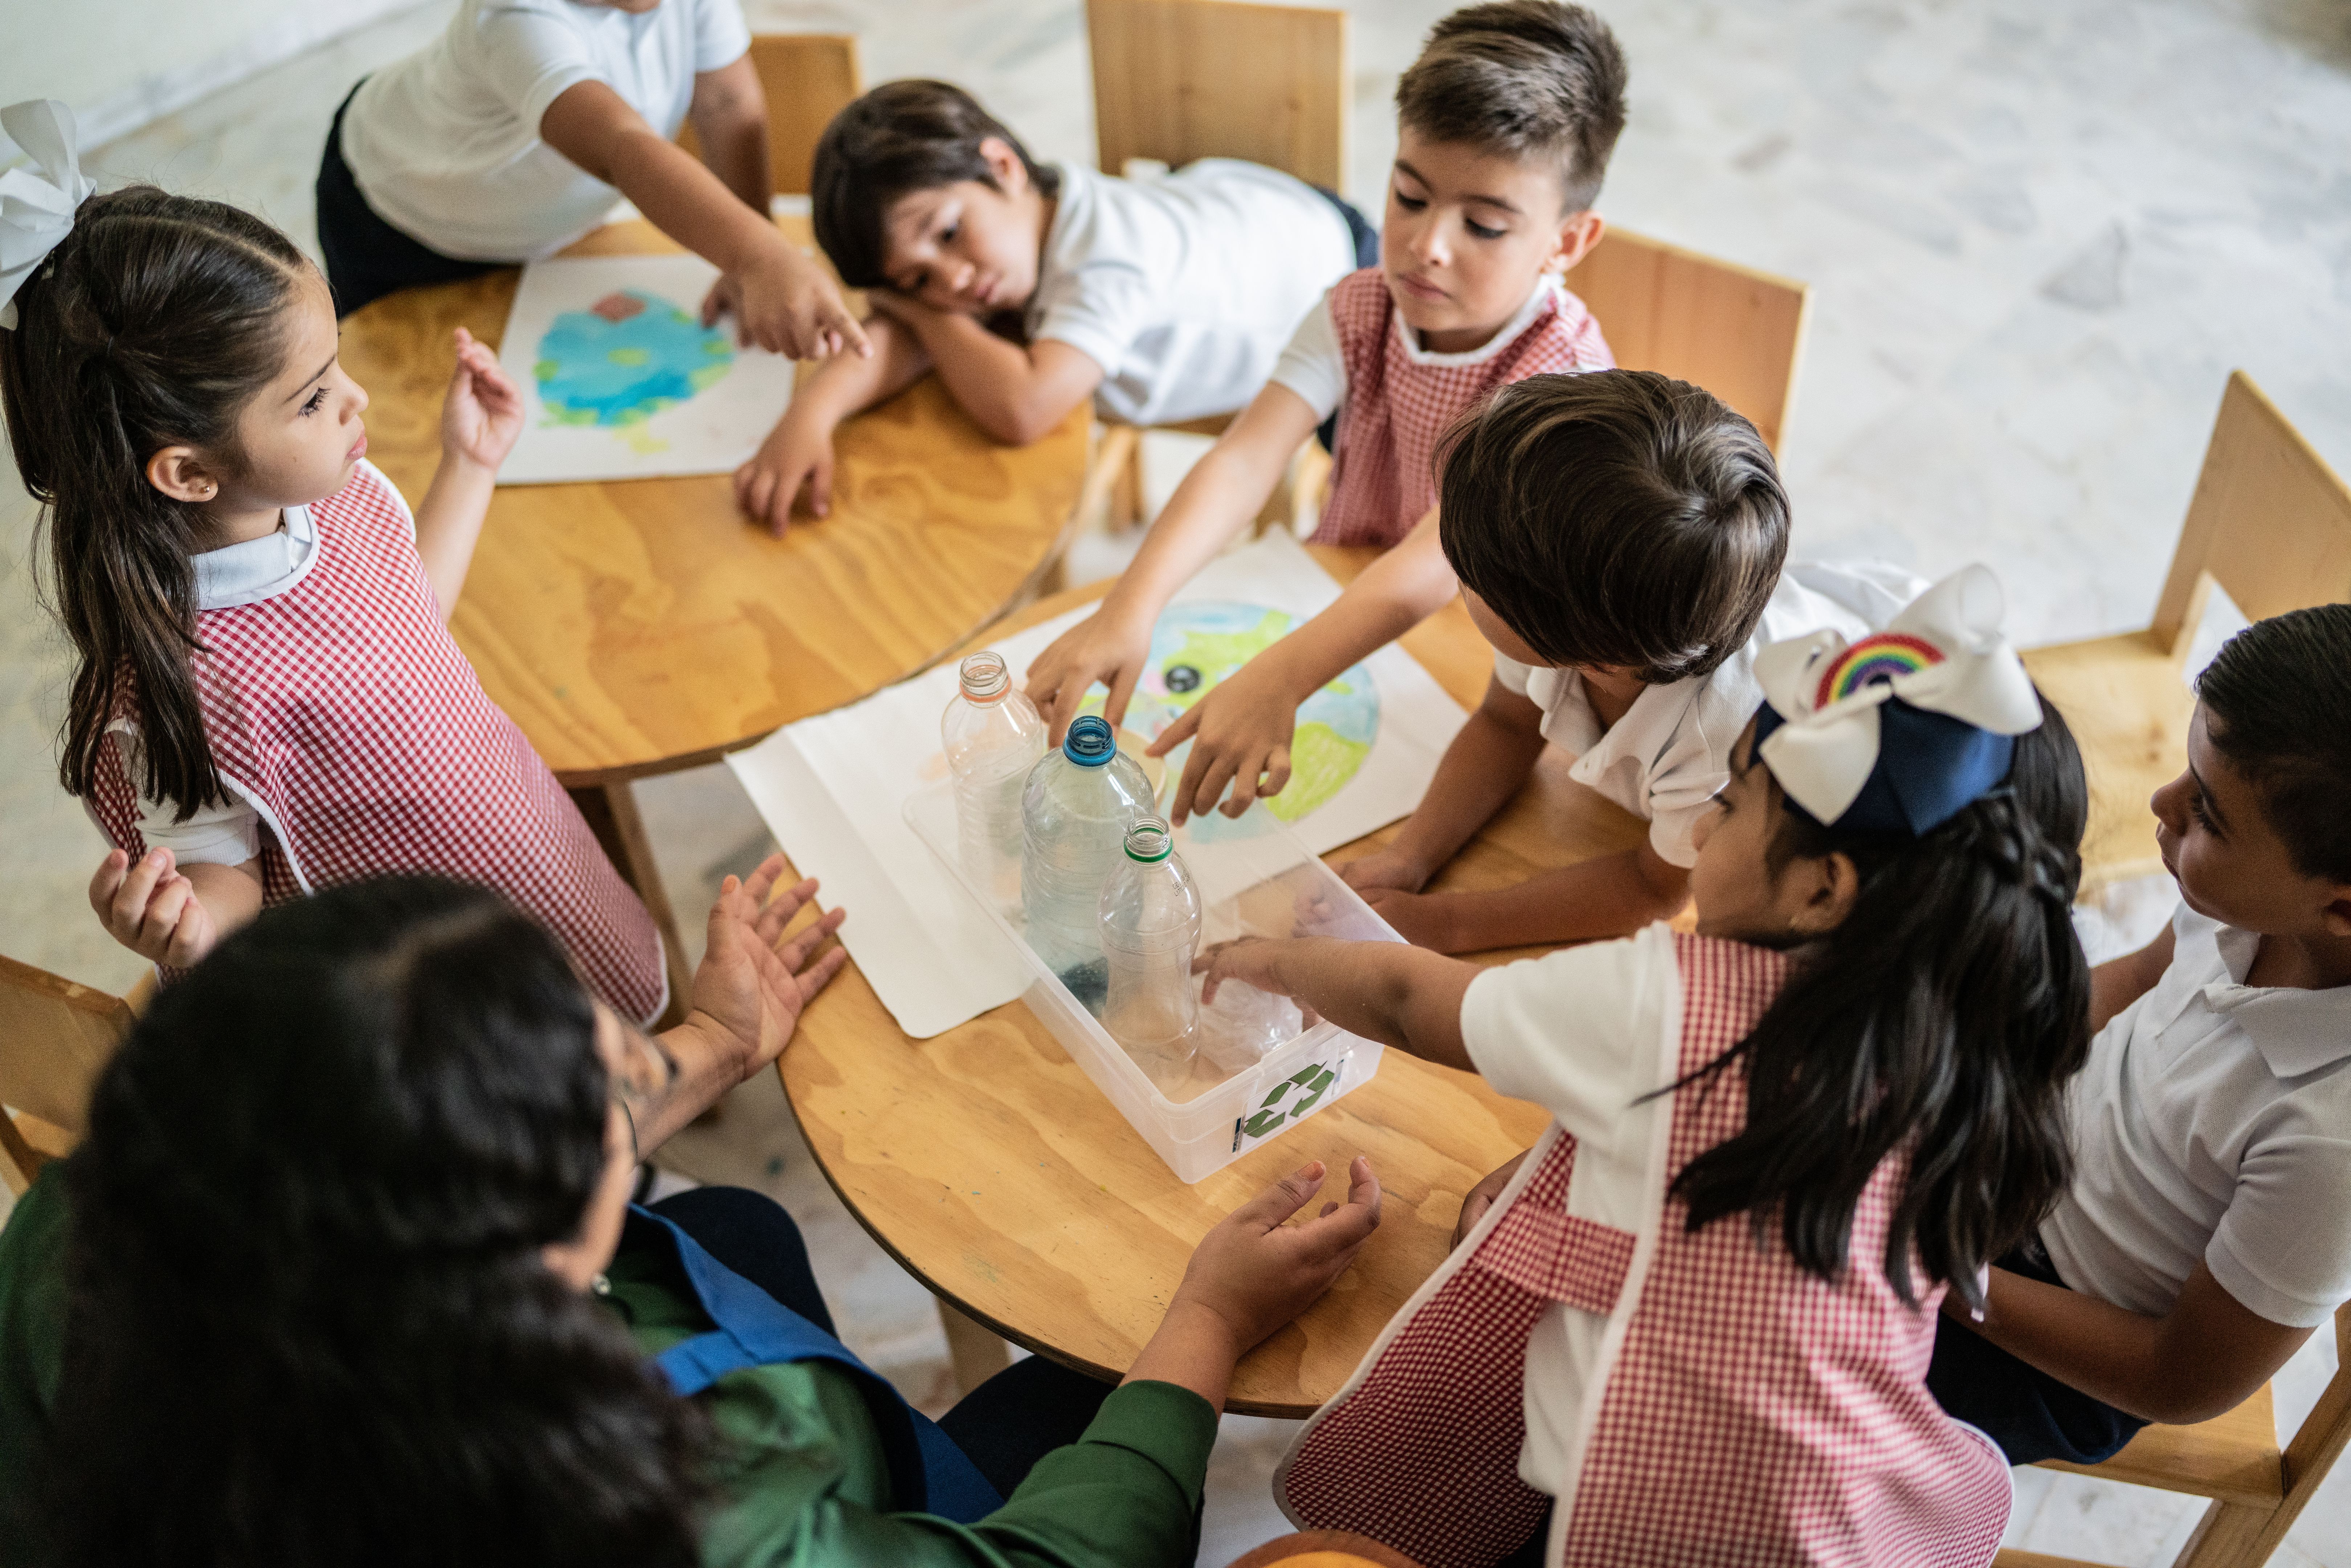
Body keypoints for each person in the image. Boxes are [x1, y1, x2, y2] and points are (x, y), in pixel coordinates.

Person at [0, 866, 1384, 1568]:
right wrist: (1201, 1322)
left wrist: (716, 1043)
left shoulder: (107, 1212)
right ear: (534, 1262)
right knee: (1078, 1402)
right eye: (619, 1095)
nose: (650, 1076)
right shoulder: (667, 1504)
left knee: (736, 1229)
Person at [1200, 568, 2090, 1567]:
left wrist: (1268, 959)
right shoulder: (1967, 1019)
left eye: (1735, 804)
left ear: (1821, 891)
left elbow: (1414, 1001)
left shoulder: (1667, 1005)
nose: (1700, 827)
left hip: (1669, 1525)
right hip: (1841, 1511)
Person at [0, 139, 666, 1022]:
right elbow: (220, 872)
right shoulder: (188, 673)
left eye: (333, 365)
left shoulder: (329, 496)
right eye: (312, 399)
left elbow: (406, 620)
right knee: (535, 1113)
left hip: (515, 841)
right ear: (192, 474)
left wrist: (467, 465)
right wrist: (186, 926)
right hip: (420, 966)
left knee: (606, 1024)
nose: (356, 401)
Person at [1024, 1, 1626, 813]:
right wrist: (1128, 605)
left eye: (1483, 225)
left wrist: (1278, 676)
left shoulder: (1559, 384)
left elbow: (1433, 561)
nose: (1425, 245)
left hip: (1490, 656)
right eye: (1409, 198)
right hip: (1349, 597)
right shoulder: (1357, 304)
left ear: (1567, 242)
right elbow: (1244, 458)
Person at [1928, 604, 2351, 1465]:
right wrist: (1975, 1060)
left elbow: (2176, 1379)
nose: (2161, 806)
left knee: (1775, 1387)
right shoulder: (2240, 903)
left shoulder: (2329, 1147)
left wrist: (1945, 1279)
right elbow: (2133, 980)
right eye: (2188, 771)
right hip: (2022, 1159)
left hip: (2061, 1344)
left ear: (2340, 906)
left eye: (2208, 816)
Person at [1347, 371, 1919, 952]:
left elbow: (1654, 890)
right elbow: (1504, 724)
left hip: (1886, 695)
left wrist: (1448, 923)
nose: (1454, 569)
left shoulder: (1724, 740)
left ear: (1595, 661)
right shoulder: (1579, 627)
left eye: (1470, 577)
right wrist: (1408, 858)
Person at [733, 79, 1367, 532]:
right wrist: (811, 416)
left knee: (1389, 497)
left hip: (1335, 282)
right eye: (917, 279)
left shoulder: (1106, 261)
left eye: (949, 232)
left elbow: (1024, 408)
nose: (953, 281)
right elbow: (904, 335)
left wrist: (919, 310)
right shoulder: (1019, 228)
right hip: (1247, 211)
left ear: (1004, 165)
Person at [317, 0, 865, 354]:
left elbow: (727, 103)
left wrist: (752, 244)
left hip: (535, 223)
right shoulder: (512, 20)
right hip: (396, 217)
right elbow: (623, 149)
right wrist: (758, 255)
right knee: (400, 378)